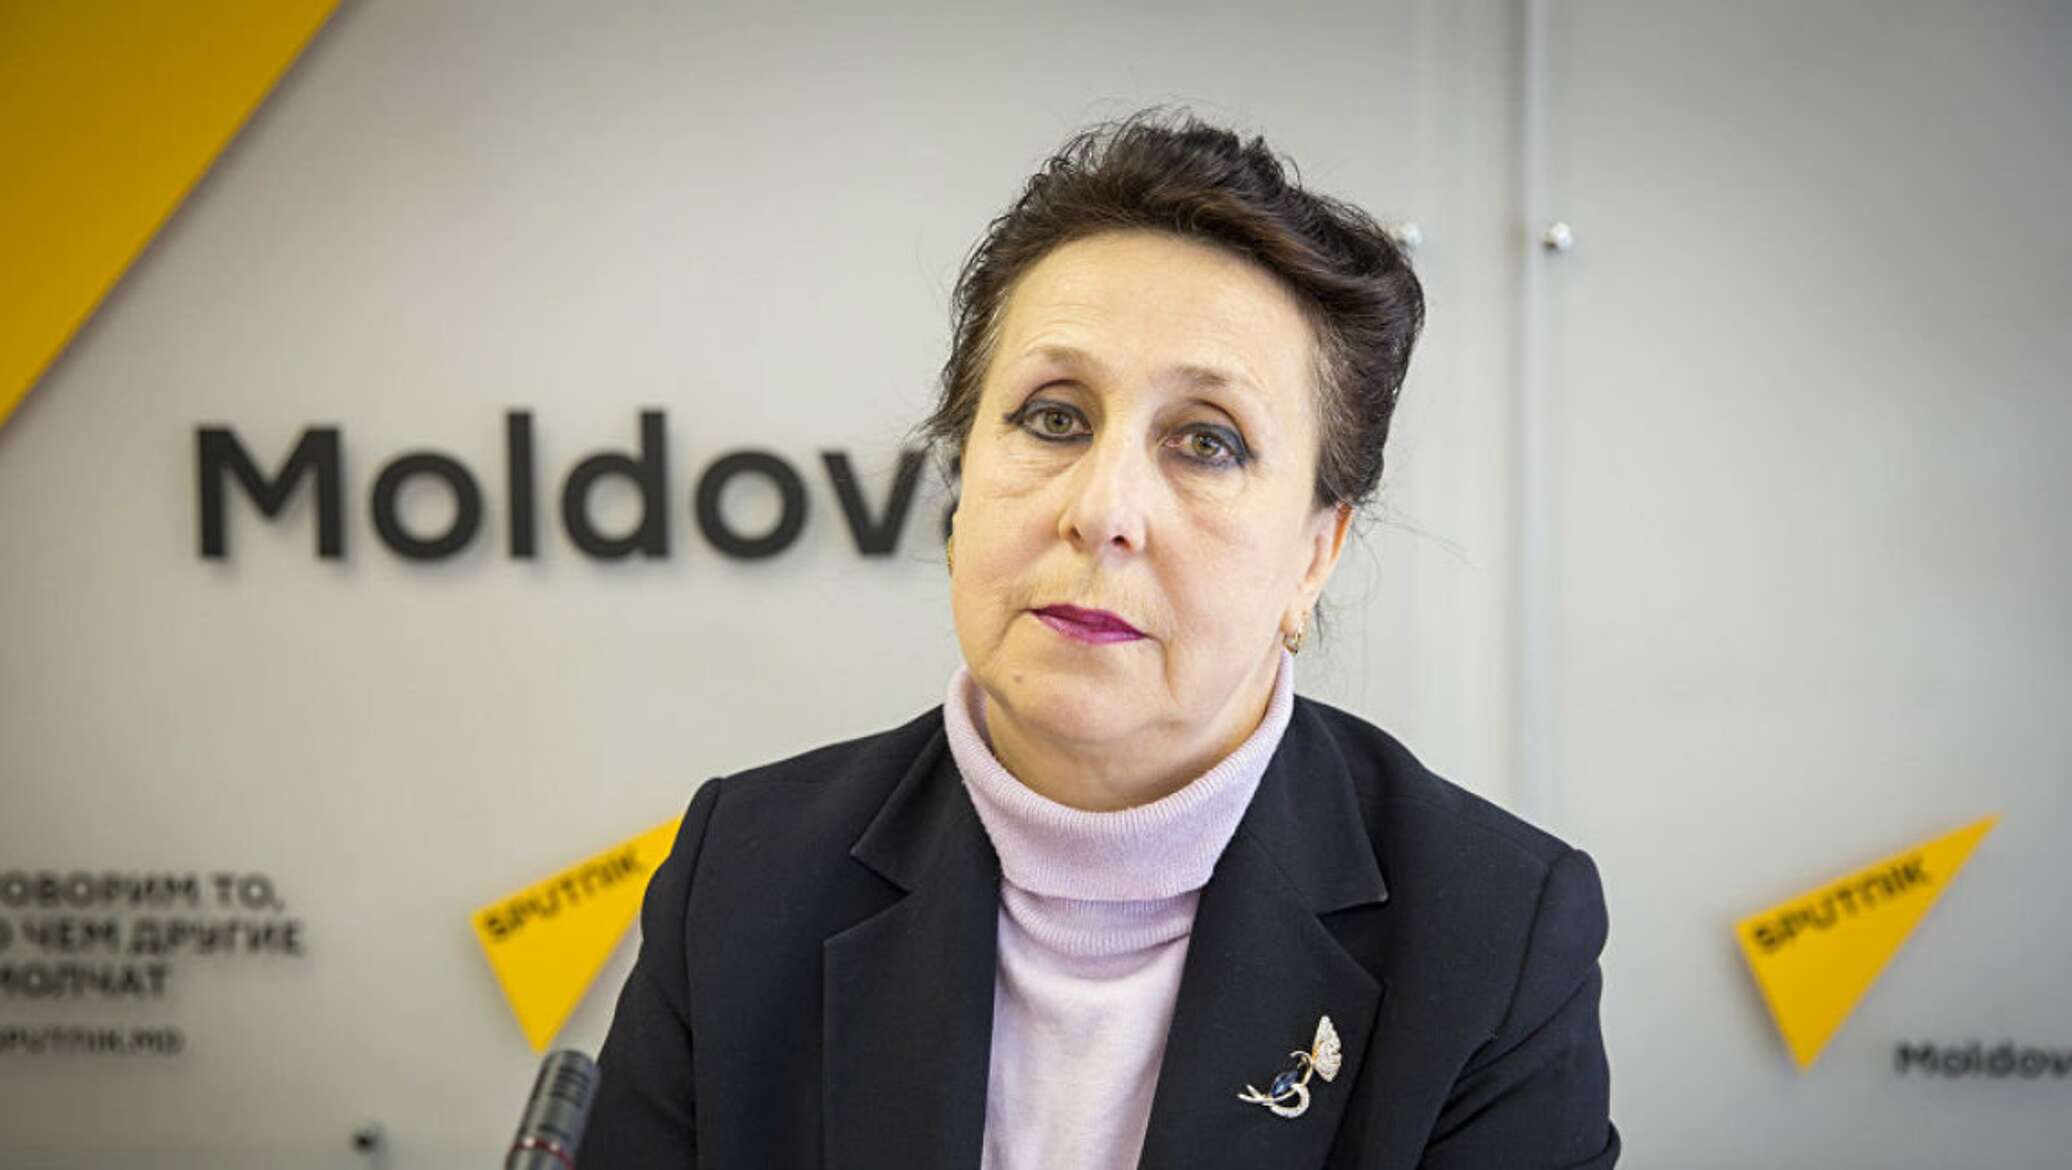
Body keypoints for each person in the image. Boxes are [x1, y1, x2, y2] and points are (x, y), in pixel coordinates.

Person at [577, 108, 1619, 1169]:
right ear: (962, 485)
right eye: (1054, 418)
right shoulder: (742, 874)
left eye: (1206, 441)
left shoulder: (1492, 936)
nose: (1101, 510)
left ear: (1315, 555)